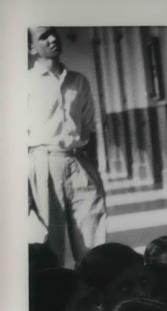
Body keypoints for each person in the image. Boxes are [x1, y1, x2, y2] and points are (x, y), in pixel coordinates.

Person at [27, 26, 107, 267]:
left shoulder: (78, 81)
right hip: (44, 162)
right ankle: (57, 299)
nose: (52, 39)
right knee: (51, 243)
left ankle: (94, 293)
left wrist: (93, 169)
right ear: (32, 48)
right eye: (43, 36)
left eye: (53, 33)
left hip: (80, 161)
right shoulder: (24, 84)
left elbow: (90, 128)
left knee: (92, 235)